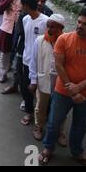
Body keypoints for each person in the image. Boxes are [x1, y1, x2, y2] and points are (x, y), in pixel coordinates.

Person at [39, 8, 86, 166]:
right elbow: (59, 65)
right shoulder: (64, 39)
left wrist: (80, 88)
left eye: (85, 24)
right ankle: (48, 148)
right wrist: (71, 88)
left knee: (80, 125)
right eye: (78, 22)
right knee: (54, 122)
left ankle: (77, 151)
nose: (79, 26)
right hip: (62, 91)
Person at [29, 14, 68, 144]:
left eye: (53, 27)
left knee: (61, 108)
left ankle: (60, 131)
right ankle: (38, 126)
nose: (49, 29)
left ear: (61, 28)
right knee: (41, 105)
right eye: (48, 26)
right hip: (43, 79)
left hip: (60, 82)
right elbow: (33, 61)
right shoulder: (39, 40)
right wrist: (33, 80)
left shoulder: (67, 42)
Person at [19, 0, 49, 126]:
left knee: (42, 92)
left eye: (21, 4)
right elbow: (26, 40)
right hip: (26, 60)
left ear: (25, 5)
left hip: (42, 64)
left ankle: (43, 117)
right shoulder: (25, 19)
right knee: (26, 88)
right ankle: (29, 112)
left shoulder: (46, 21)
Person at [0, 0, 24, 84]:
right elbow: (0, 8)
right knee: (5, 51)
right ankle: (3, 72)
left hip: (21, 27)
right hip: (7, 26)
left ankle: (18, 75)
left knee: (20, 52)